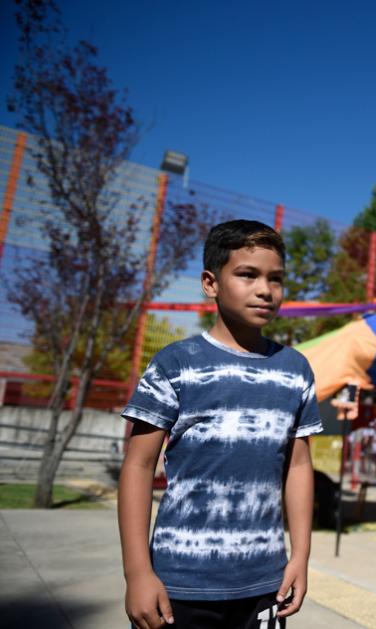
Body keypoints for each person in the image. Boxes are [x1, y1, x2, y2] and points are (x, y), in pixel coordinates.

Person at [118, 220, 322, 629]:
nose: (265, 289)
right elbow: (138, 467)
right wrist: (138, 573)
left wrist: (300, 557)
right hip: (179, 584)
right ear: (211, 283)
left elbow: (298, 467)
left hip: (267, 583)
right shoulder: (175, 364)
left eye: (276, 278)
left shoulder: (296, 370)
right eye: (248, 274)